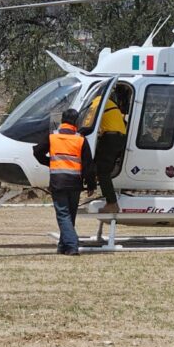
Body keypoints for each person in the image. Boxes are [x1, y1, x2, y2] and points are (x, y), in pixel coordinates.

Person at [33, 108, 96, 255]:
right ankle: (63, 246)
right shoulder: (80, 139)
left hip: (58, 181)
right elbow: (88, 165)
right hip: (75, 182)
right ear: (76, 121)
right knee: (70, 214)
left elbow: (37, 152)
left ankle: (72, 245)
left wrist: (50, 162)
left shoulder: (52, 137)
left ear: (62, 120)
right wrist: (91, 184)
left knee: (63, 214)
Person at [89, 93, 126, 214]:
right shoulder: (108, 102)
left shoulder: (97, 101)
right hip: (116, 137)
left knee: (103, 172)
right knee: (103, 169)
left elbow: (88, 121)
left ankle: (112, 203)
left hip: (111, 137)